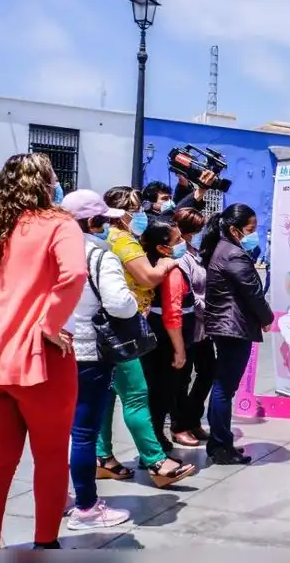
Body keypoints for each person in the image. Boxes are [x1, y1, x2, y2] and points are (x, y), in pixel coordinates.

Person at [0, 153, 86, 550]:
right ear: (45, 184)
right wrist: (49, 323)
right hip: (39, 358)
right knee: (52, 457)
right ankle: (44, 545)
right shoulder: (59, 224)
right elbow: (74, 274)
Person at [96, 186, 193, 482]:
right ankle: (155, 461)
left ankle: (103, 456)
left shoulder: (101, 238)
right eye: (136, 210)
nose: (139, 215)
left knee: (107, 395)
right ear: (123, 212)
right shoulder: (123, 240)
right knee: (137, 395)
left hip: (104, 325)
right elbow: (147, 277)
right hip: (123, 326)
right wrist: (166, 263)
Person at [61, 189, 134, 530]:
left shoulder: (51, 252)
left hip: (53, 348)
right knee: (84, 431)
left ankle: (57, 494)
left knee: (55, 432)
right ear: (91, 222)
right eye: (103, 220)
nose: (106, 226)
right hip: (89, 353)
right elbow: (120, 304)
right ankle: (87, 507)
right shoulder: (100, 255)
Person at [201, 203, 275, 465]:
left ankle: (221, 442)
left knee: (223, 386)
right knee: (225, 388)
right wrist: (267, 318)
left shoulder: (224, 249)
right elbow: (252, 292)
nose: (253, 233)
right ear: (234, 229)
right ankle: (221, 445)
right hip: (233, 327)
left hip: (226, 326)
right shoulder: (233, 253)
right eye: (250, 229)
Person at [139, 221, 197, 457]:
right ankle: (154, 445)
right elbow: (172, 314)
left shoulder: (152, 265)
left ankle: (155, 439)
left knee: (157, 391)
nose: (183, 243)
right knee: (161, 393)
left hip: (157, 336)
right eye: (177, 240)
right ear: (163, 248)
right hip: (166, 339)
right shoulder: (171, 271)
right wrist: (179, 350)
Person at [169, 208, 215, 446]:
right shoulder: (179, 258)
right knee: (182, 379)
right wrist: (208, 310)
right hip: (188, 326)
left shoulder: (195, 253)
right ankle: (178, 425)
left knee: (208, 372)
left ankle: (193, 418)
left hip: (203, 329)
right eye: (196, 230)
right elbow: (187, 294)